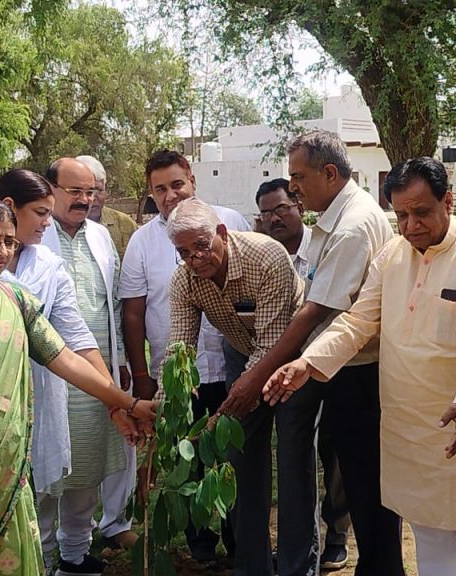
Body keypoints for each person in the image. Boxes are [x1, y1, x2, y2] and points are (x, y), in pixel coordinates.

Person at [265, 157, 456, 575]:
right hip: (409, 429)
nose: (411, 225)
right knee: (430, 533)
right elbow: (358, 321)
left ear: (447, 202)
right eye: (401, 215)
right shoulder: (392, 256)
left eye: (421, 212)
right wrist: (308, 363)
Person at [0, 195, 155, 576]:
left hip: (8, 465)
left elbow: (65, 358)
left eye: (9, 241)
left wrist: (127, 403)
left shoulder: (12, 295)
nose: (2, 251)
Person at [221, 130, 401, 576]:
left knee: (367, 485)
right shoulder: (335, 219)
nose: (293, 186)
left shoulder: (352, 226)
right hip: (334, 362)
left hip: (357, 369)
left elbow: (315, 311)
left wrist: (257, 375)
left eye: (299, 177)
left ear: (330, 173)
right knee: (358, 479)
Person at [163, 198, 310, 576]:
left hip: (295, 359)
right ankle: (252, 566)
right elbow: (180, 350)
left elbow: (272, 343)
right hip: (243, 352)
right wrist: (164, 407)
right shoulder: (184, 280)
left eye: (201, 246)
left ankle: (296, 566)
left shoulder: (267, 257)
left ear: (222, 233)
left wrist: (232, 403)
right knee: (241, 461)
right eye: (184, 252)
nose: (195, 259)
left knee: (293, 460)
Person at [120, 148, 251, 564]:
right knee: (186, 460)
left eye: (177, 184)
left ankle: (241, 544)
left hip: (235, 367)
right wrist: (143, 376)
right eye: (159, 189)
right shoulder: (142, 242)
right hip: (178, 373)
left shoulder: (230, 221)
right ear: (151, 194)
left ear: (192, 180)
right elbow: (133, 312)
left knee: (234, 459)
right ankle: (200, 545)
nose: (170, 195)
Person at [39, 157, 134, 574]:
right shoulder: (33, 237)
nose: (84, 199)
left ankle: (75, 554)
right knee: (46, 470)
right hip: (48, 372)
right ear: (51, 190)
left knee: (88, 466)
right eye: (74, 191)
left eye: (90, 191)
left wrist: (120, 359)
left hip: (97, 371)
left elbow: (112, 303)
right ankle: (40, 557)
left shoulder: (100, 235)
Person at [255, 178, 351, 571]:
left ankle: (338, 534)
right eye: (266, 213)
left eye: (281, 208)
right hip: (289, 367)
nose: (274, 218)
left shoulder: (322, 246)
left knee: (337, 450)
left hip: (335, 360)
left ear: (298, 205)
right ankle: (300, 550)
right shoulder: (263, 256)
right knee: (296, 454)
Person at [79, 154, 137, 261]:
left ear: (106, 189)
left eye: (98, 190)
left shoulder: (125, 224)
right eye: (87, 191)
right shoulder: (58, 227)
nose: (92, 198)